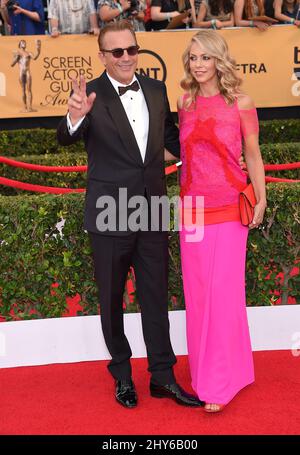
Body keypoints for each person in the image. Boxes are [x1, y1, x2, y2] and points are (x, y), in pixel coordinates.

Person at [56, 19, 204, 410]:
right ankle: (122, 375)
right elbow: (66, 135)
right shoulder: (89, 94)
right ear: (103, 55)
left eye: (132, 49)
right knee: (111, 297)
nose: (126, 58)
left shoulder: (155, 89)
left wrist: (213, 151)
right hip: (109, 210)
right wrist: (75, 116)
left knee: (156, 294)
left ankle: (163, 377)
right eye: (117, 52)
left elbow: (174, 141)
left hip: (152, 207)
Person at [178, 29, 266, 412]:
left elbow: (252, 153)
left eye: (205, 58)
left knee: (224, 294)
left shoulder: (240, 101)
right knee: (198, 297)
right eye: (193, 58)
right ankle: (208, 373)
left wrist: (261, 197)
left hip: (230, 208)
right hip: (192, 211)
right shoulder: (183, 101)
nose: (198, 65)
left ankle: (219, 384)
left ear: (219, 60)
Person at [11, 38, 41, 112]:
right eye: (22, 43)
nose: (24, 43)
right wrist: (17, 58)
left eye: (24, 42)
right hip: (21, 73)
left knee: (29, 90)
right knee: (23, 90)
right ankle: (24, 107)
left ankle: (30, 107)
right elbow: (12, 64)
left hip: (27, 72)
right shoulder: (17, 53)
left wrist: (38, 49)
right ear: (20, 45)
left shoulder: (29, 53)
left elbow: (35, 57)